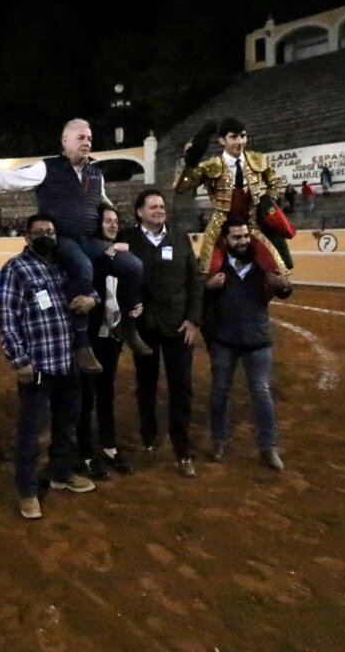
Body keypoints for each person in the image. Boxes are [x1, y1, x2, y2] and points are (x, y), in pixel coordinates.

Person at [0, 119, 151, 370]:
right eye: (81, 138)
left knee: (132, 266)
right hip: (62, 238)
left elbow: (104, 204)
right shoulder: (46, 168)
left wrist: (117, 236)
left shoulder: (96, 174)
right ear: (65, 141)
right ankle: (81, 342)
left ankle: (129, 328)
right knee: (82, 267)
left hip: (90, 240)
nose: (87, 142)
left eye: (89, 138)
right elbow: (9, 180)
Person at [0, 214, 99, 520]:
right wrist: (20, 359)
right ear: (27, 237)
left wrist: (92, 300)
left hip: (68, 361)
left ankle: (61, 472)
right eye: (39, 232)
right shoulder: (16, 268)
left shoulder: (64, 264)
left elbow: (87, 288)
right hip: (37, 365)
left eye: (51, 231)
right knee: (30, 432)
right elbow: (6, 317)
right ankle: (27, 490)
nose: (46, 236)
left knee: (67, 425)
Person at [119, 189, 202, 478]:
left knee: (182, 388)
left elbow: (194, 280)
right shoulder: (127, 239)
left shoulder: (179, 238)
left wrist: (193, 319)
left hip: (179, 327)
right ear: (139, 212)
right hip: (145, 329)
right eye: (152, 206)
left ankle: (183, 449)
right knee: (146, 385)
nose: (158, 210)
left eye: (161, 206)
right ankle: (149, 436)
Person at [203, 218, 293, 473]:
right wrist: (208, 288)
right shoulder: (216, 269)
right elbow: (201, 294)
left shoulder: (264, 265)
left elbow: (285, 288)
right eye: (236, 238)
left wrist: (283, 286)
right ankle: (218, 441)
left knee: (261, 393)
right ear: (225, 240)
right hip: (224, 340)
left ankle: (268, 446)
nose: (242, 242)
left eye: (245, 237)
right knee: (220, 391)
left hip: (257, 340)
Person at [173, 117, 290, 277]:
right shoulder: (211, 165)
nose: (240, 141)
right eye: (234, 137)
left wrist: (267, 202)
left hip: (251, 224)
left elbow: (276, 183)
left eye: (243, 136)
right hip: (220, 226)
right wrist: (190, 163)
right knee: (209, 271)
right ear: (222, 140)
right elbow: (181, 187)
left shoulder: (258, 160)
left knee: (278, 269)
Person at [76, 205, 138, 480]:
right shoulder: (91, 252)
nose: (113, 225)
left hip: (110, 334)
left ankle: (109, 447)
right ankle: (86, 454)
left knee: (106, 394)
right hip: (89, 335)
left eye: (115, 221)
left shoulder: (121, 255)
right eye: (107, 221)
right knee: (86, 396)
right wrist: (108, 253)